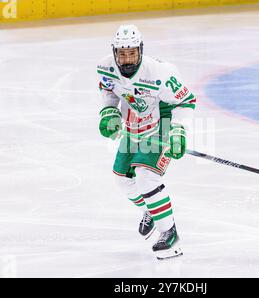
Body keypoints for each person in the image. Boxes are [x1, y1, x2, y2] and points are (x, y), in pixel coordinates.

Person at [96, 24, 196, 260]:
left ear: (140, 50)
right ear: (114, 53)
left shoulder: (160, 73)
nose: (127, 58)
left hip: (162, 120)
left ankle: (170, 235)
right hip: (134, 125)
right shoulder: (105, 67)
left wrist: (178, 131)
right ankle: (151, 210)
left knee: (145, 177)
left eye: (132, 53)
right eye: (122, 53)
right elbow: (108, 91)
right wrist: (109, 111)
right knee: (122, 179)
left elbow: (187, 101)